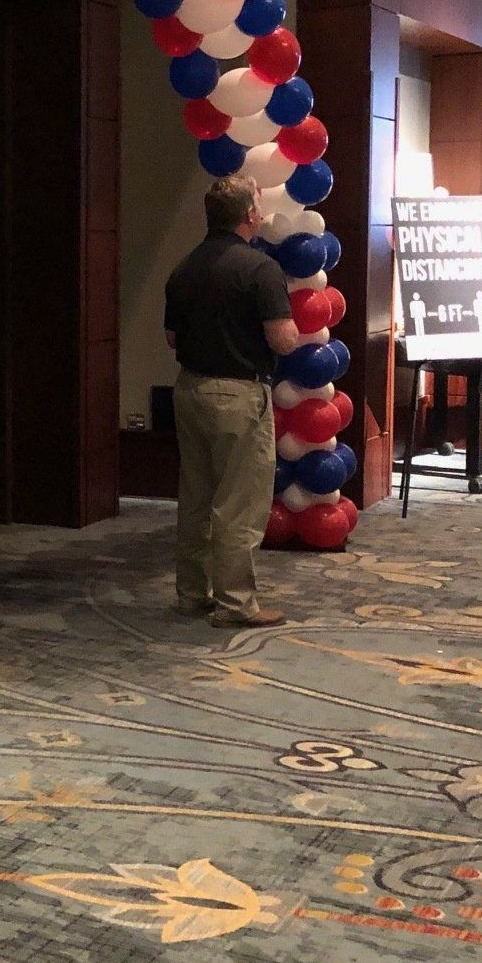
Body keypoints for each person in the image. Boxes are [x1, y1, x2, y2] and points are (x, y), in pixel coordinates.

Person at [164, 172, 302, 629]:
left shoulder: (184, 267)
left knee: (196, 497)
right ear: (249, 215)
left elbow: (171, 337)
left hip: (190, 389)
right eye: (258, 206)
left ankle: (191, 595)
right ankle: (236, 604)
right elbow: (281, 339)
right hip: (239, 394)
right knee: (240, 503)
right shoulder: (260, 269)